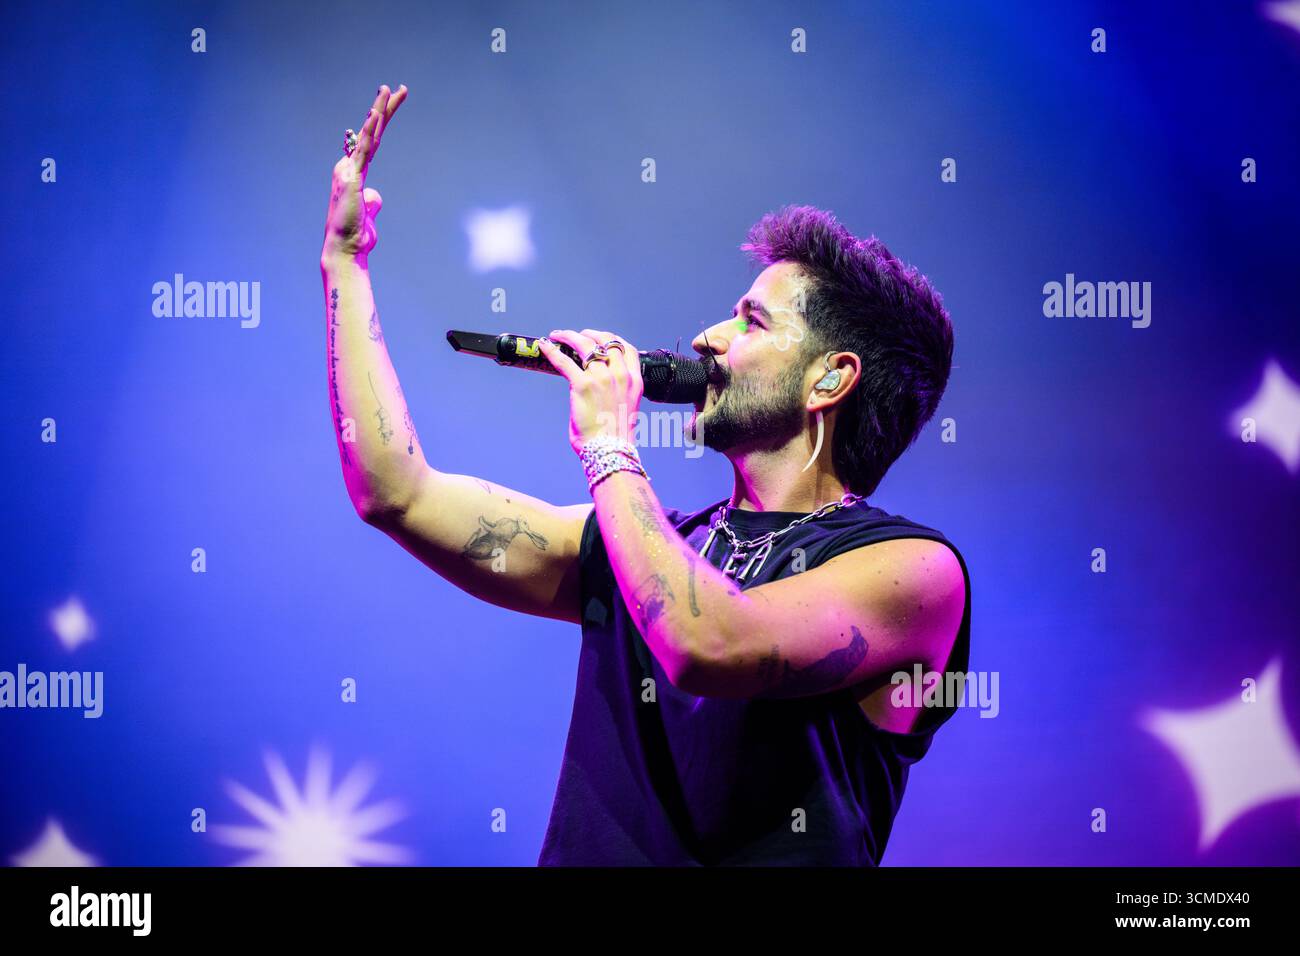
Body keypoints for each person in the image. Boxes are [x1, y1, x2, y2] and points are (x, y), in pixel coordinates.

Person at [322, 84, 971, 866]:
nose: (706, 337)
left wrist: (609, 445)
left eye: (750, 320)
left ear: (829, 380)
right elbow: (397, 492)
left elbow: (708, 644)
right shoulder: (649, 546)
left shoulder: (913, 572)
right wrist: (346, 265)